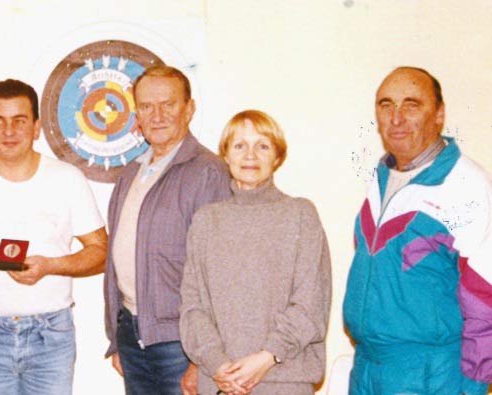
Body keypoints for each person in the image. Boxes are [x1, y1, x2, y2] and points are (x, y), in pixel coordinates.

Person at [0, 79, 107, 395]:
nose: (8, 131)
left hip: (51, 335)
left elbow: (100, 251)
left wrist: (50, 265)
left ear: (36, 128)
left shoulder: (67, 179)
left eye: (19, 121)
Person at [343, 67, 492, 395]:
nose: (396, 118)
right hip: (368, 367)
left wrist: (472, 387)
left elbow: (485, 299)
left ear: (439, 114)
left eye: (411, 105)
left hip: (431, 375)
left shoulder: (466, 186)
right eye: (386, 105)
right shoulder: (381, 178)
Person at [179, 110, 332, 395]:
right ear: (226, 155)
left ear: (277, 157)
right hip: (220, 382)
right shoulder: (206, 220)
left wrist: (266, 358)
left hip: (283, 380)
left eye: (262, 146)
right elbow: (192, 306)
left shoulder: (300, 215)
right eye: (240, 146)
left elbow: (311, 303)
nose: (250, 155)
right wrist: (217, 364)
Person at [103, 65, 231, 395]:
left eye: (168, 105)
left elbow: (220, 272)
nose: (157, 116)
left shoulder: (209, 172)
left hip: (183, 344)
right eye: (146, 106)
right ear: (137, 114)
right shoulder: (131, 174)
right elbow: (113, 263)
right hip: (133, 336)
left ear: (189, 109)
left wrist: (202, 359)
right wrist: (117, 339)